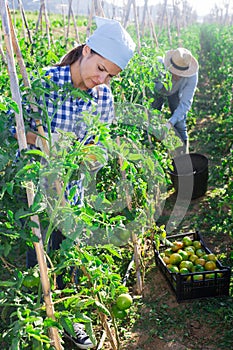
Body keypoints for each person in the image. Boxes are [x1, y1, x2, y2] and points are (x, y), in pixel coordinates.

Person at [15, 16, 135, 349]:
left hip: (73, 195)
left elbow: (98, 145)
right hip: (36, 196)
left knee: (70, 259)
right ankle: (37, 320)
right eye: (99, 68)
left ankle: (71, 321)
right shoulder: (45, 82)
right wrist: (44, 147)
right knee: (37, 257)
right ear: (85, 50)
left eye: (110, 74)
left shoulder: (102, 97)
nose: (102, 78)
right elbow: (19, 133)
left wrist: (93, 156)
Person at [152, 47, 199, 153]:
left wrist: (169, 124)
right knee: (152, 117)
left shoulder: (192, 76)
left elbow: (185, 103)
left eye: (181, 74)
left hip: (176, 92)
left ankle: (184, 155)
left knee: (180, 124)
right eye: (175, 72)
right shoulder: (158, 66)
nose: (178, 76)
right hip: (157, 93)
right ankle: (152, 147)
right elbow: (150, 91)